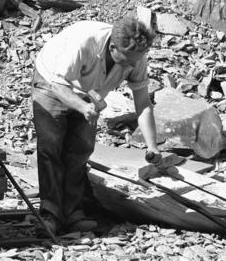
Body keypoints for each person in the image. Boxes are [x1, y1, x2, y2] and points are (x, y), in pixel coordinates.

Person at [32, 15, 159, 235]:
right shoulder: (83, 42)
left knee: (80, 149)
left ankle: (72, 212)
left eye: (136, 60)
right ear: (112, 47)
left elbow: (143, 103)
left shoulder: (136, 56)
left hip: (89, 91)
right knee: (51, 147)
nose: (132, 65)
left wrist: (152, 146)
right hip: (52, 81)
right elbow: (59, 86)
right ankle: (50, 213)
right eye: (128, 60)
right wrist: (82, 108)